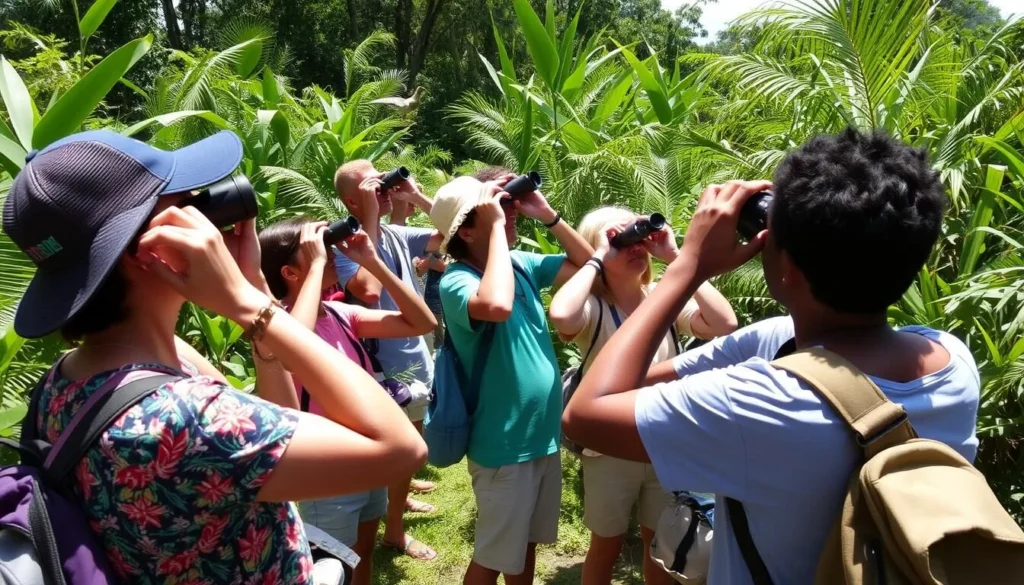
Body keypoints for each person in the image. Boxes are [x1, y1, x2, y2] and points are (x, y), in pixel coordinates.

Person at [4, 130, 426, 584]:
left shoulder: (70, 381)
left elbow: (280, 421)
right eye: (189, 204)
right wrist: (248, 306)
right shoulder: (184, 417)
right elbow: (401, 449)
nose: (209, 217)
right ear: (153, 247)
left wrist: (258, 293)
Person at [562, 129, 981, 585]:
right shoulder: (952, 361)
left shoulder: (759, 403)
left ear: (788, 268)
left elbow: (585, 413)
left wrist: (688, 266)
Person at [548, 206, 738, 585]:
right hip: (609, 447)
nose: (635, 247)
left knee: (660, 539)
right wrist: (598, 257)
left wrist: (675, 257)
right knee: (607, 541)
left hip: (662, 437)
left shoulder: (661, 298)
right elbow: (563, 316)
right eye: (621, 242)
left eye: (640, 241)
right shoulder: (595, 307)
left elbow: (723, 323)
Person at [430, 173, 593, 585]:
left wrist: (549, 216)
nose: (510, 212)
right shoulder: (457, 280)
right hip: (503, 445)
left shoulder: (520, 265)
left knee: (524, 547)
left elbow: (591, 267)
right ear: (466, 230)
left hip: (541, 436)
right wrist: (500, 228)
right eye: (497, 207)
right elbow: (497, 305)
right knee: (492, 554)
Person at [258, 216, 438, 582]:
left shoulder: (341, 314)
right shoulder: (277, 325)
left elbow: (422, 322)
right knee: (331, 567)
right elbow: (296, 347)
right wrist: (318, 266)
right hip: (327, 472)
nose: (328, 253)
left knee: (362, 553)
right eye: (316, 250)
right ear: (291, 273)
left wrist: (373, 262)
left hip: (367, 455)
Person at [332, 159, 440, 560]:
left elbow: (449, 235)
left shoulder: (395, 233)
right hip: (383, 366)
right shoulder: (345, 242)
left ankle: (401, 498)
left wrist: (415, 196)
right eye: (369, 186)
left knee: (415, 434)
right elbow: (368, 289)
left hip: (415, 352)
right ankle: (394, 531)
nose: (381, 186)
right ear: (350, 200)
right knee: (399, 446)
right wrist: (373, 218)